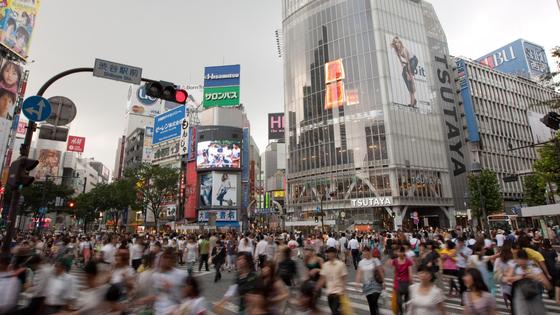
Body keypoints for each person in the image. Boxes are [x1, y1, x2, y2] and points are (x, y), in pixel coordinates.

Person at [505, 249, 552, 315]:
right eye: (520, 263)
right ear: (517, 260)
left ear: (527, 260)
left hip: (534, 298)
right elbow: (507, 279)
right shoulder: (514, 266)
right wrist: (521, 276)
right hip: (520, 299)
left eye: (524, 263)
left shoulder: (533, 268)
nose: (522, 265)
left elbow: (548, 286)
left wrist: (535, 277)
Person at [316, 247, 348, 315]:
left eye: (330, 253)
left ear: (335, 254)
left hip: (338, 293)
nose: (328, 254)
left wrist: (343, 290)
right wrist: (316, 288)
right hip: (329, 292)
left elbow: (344, 279)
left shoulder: (341, 264)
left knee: (334, 311)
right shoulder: (325, 265)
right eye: (328, 253)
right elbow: (322, 279)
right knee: (334, 311)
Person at [355, 245, 384, 315]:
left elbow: (380, 271)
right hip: (366, 285)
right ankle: (375, 312)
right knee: (371, 304)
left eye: (366, 251)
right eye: (363, 252)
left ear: (369, 252)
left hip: (376, 284)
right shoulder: (361, 262)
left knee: (374, 300)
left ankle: (376, 310)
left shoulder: (375, 260)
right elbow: (359, 274)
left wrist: (384, 282)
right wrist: (357, 284)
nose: (365, 253)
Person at [391, 36, 418, 107]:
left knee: (409, 74)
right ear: (395, 44)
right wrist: (406, 73)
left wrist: (409, 75)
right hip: (408, 63)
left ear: (400, 43)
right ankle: (413, 100)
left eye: (398, 42)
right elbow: (402, 64)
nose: (398, 44)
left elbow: (408, 63)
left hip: (413, 60)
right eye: (396, 42)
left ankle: (413, 85)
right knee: (403, 75)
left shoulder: (404, 50)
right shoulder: (397, 52)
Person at [387, 246, 414, 315]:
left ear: (404, 252)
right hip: (400, 283)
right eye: (399, 252)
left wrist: (411, 283)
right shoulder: (397, 261)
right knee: (404, 301)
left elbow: (394, 272)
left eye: (401, 252)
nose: (400, 253)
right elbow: (395, 272)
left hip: (403, 283)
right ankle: (403, 312)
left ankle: (402, 312)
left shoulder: (406, 261)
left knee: (400, 301)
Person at [493, 241, 514, 310]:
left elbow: (495, 272)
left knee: (512, 301)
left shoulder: (498, 260)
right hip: (512, 284)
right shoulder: (512, 259)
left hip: (505, 285)